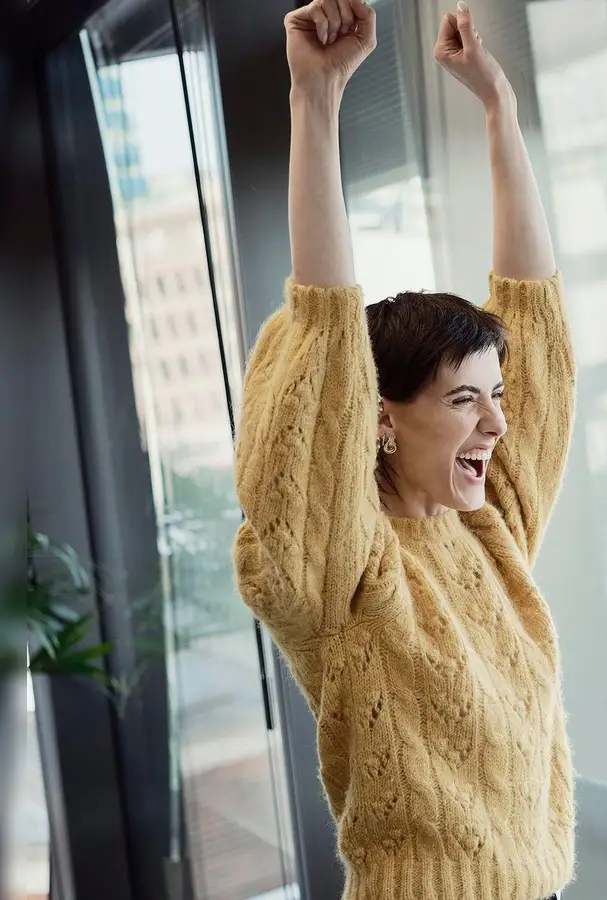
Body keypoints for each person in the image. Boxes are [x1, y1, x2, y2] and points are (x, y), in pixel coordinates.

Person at [232, 1, 574, 896]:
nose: (497, 425)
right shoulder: (342, 568)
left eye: (495, 398)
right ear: (379, 417)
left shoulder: (488, 529)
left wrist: (499, 108)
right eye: (463, 401)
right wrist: (318, 101)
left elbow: (532, 317)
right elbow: (322, 355)